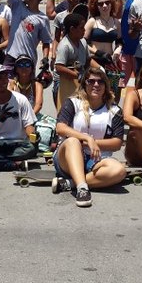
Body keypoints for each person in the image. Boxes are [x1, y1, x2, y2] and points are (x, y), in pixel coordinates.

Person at [52, 67, 126, 208]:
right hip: (68, 157)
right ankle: (82, 189)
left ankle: (71, 183)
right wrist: (88, 140)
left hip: (97, 160)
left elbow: (117, 143)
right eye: (91, 81)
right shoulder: (73, 103)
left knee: (119, 171)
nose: (96, 85)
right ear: (84, 84)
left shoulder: (114, 110)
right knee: (73, 141)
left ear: (106, 85)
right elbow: (60, 128)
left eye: (100, 82)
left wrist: (94, 143)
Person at [3, 0, 52, 70]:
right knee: (7, 84)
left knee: (25, 86)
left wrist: (45, 58)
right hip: (11, 57)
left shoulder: (43, 19)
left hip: (28, 60)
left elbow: (46, 41)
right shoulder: (17, 5)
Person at [55, 13, 91, 107]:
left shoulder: (83, 42)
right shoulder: (65, 46)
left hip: (81, 84)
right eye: (81, 28)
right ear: (72, 29)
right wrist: (77, 75)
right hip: (67, 85)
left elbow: (88, 59)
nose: (84, 30)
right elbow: (59, 67)